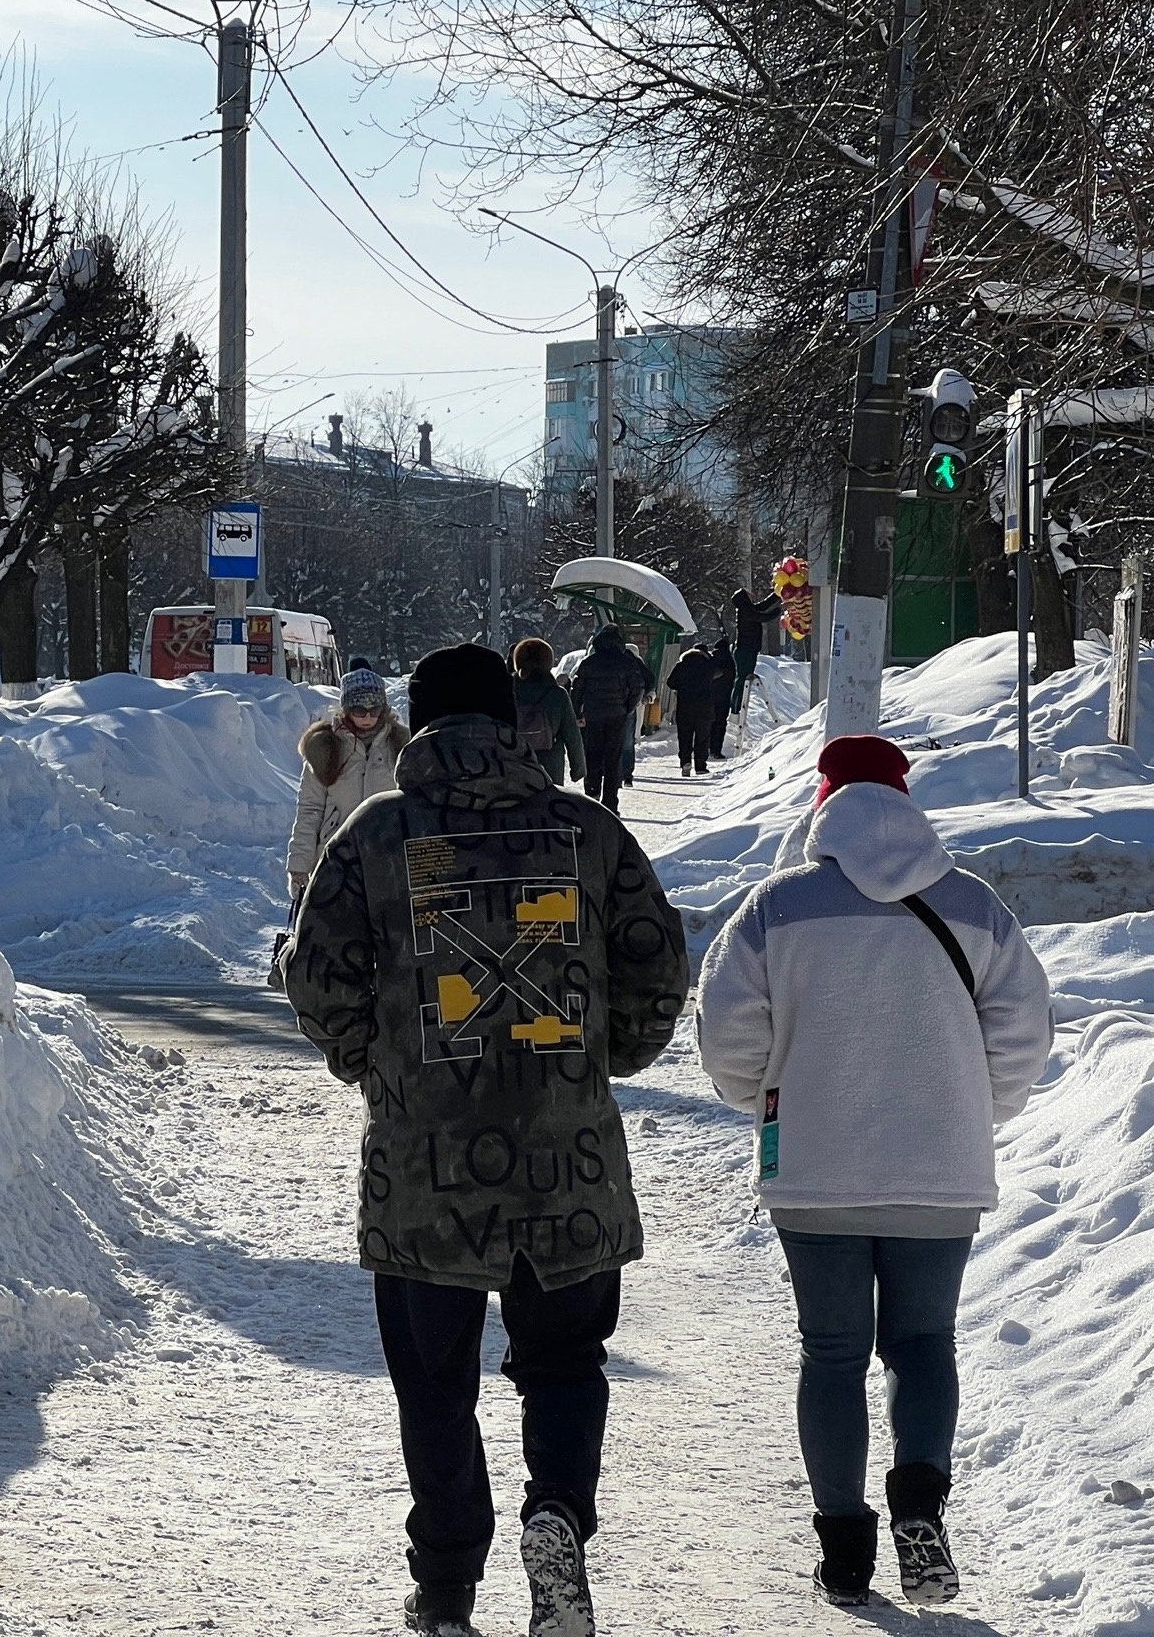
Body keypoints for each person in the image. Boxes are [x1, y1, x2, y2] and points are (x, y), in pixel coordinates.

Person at [282, 644, 688, 1637]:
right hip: (569, 1161)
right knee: (563, 1362)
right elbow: (656, 965)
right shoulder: (585, 830)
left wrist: (371, 1067)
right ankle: (555, 1514)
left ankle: (449, 1580)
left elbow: (317, 978)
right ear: (512, 724)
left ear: (418, 726)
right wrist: (603, 1063)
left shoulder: (379, 835)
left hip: (426, 1169)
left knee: (433, 1382)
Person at [696, 736, 1051, 1610]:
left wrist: (770, 1098)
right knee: (925, 1343)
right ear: (908, 801)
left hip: (815, 1169)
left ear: (823, 804)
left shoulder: (778, 907)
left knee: (832, 1352)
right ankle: (921, 1505)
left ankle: (845, 1547)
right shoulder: (975, 905)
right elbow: (1024, 1031)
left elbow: (726, 1032)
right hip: (942, 1167)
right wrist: (974, 1105)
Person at [287, 659, 409, 903]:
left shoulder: (399, 744)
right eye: (359, 710)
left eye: (374, 710)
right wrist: (299, 865)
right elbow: (310, 809)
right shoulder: (325, 747)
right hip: (335, 856)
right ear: (345, 708)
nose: (367, 717)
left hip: (387, 855)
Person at [570, 626, 650, 811]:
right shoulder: (626, 662)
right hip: (617, 715)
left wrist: (578, 712)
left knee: (593, 753)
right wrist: (628, 707)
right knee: (613, 758)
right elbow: (638, 687)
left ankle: (592, 793)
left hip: (593, 714)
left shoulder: (589, 662)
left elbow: (577, 689)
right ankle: (610, 802)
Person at [509, 638, 586, 789]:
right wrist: (578, 769)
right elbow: (572, 735)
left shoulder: (506, 691)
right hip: (550, 763)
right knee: (547, 805)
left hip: (513, 760)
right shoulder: (557, 694)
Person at [664, 641, 718, 777]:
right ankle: (700, 765)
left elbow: (670, 682)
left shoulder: (681, 665)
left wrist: (682, 687)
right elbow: (719, 676)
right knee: (702, 737)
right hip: (704, 707)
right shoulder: (708, 665)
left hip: (685, 706)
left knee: (685, 736)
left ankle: (685, 762)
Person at [705, 639, 740, 762]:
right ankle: (716, 750)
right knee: (720, 724)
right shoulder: (730, 661)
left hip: (710, 697)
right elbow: (733, 677)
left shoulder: (710, 659)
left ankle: (705, 748)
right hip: (724, 697)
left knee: (708, 723)